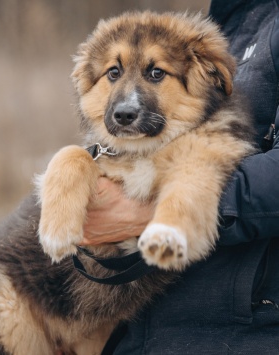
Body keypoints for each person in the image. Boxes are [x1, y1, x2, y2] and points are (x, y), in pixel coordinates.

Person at [81, 0, 279, 353]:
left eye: (157, 74)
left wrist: (150, 210)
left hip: (240, 335)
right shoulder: (219, 23)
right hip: (142, 328)